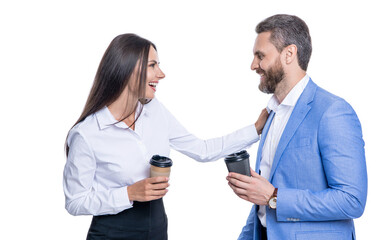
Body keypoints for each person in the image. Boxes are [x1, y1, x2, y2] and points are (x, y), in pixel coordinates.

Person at [63, 33, 269, 240]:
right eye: (152, 65)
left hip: (156, 228)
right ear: (128, 69)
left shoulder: (154, 111)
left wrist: (255, 129)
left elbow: (202, 150)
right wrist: (128, 193)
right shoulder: (87, 133)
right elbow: (75, 202)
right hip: (112, 233)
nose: (161, 74)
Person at [226, 14, 367, 240]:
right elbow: (263, 208)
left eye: (260, 56)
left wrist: (274, 197)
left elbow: (351, 200)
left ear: (289, 54)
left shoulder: (332, 112)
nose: (253, 65)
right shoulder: (271, 115)